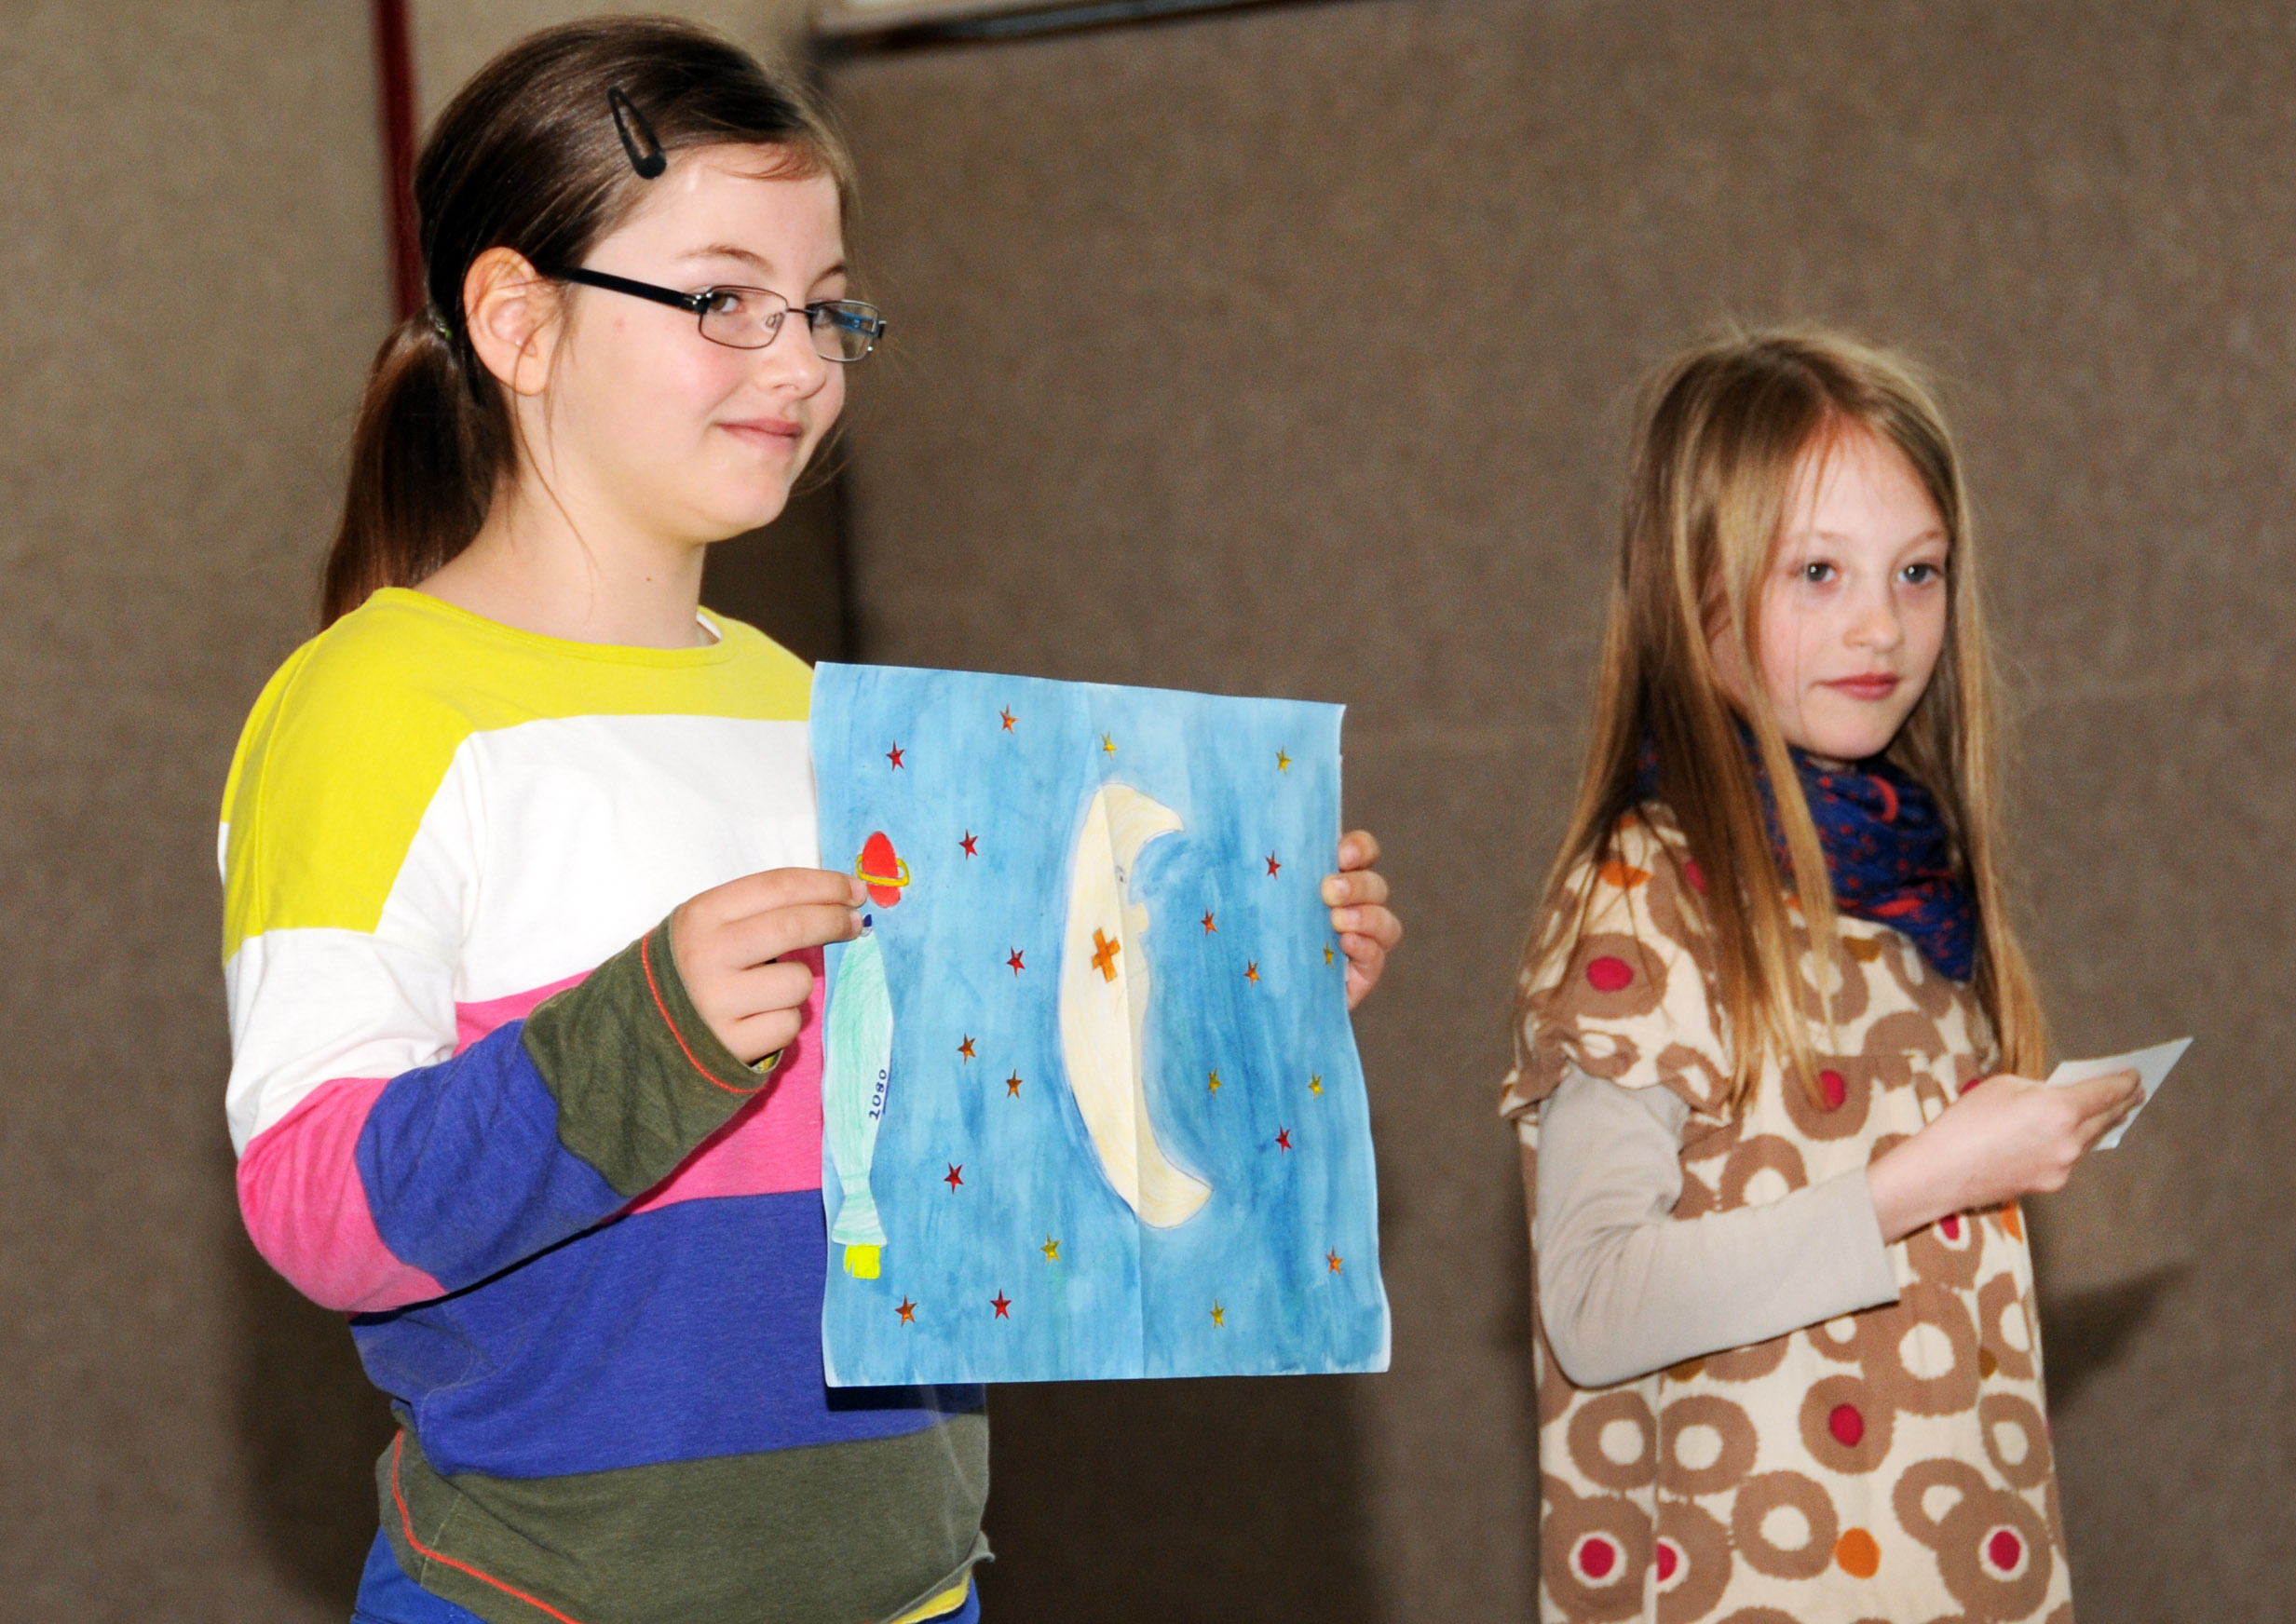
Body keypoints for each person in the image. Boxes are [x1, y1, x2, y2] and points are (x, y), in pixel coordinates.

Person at [217, 20, 1402, 1624]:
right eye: (724, 301)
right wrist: (645, 1034)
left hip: (914, 1589)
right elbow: (317, 1204)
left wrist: (1232, 997)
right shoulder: (367, 708)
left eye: (825, 308)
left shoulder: (818, 712)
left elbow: (989, 1120)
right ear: (517, 320)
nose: (799, 363)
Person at [1500, 329, 2139, 1624]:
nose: (1880, 625)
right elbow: (1595, 1303)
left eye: (1917, 571)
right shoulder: (1644, 892)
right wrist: (1928, 1181)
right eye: (1816, 571)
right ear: (1690, 590)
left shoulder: (1914, 896)